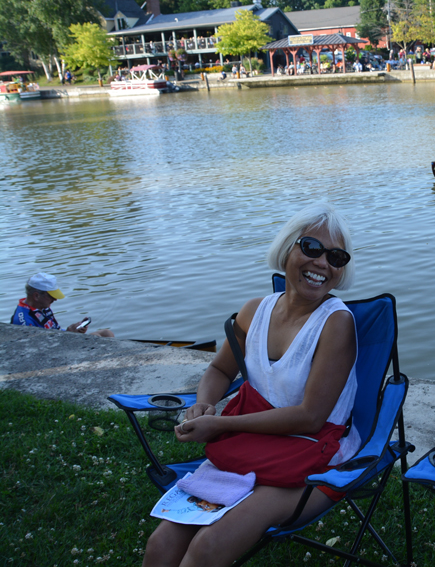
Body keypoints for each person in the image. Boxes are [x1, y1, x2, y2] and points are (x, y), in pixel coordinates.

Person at [143, 204, 361, 567]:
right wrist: (204, 403)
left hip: (315, 456)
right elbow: (219, 369)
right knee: (161, 544)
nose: (322, 263)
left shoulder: (336, 324)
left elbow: (310, 418)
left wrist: (221, 424)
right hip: (251, 446)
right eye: (311, 247)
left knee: (208, 547)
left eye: (336, 257)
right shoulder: (254, 312)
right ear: (287, 248)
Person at [10, 273, 113, 337]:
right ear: (36, 296)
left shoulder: (42, 307)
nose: (55, 299)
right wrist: (69, 334)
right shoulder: (23, 321)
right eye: (51, 296)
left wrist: (71, 330)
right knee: (97, 337)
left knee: (106, 333)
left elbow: (54, 332)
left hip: (59, 339)